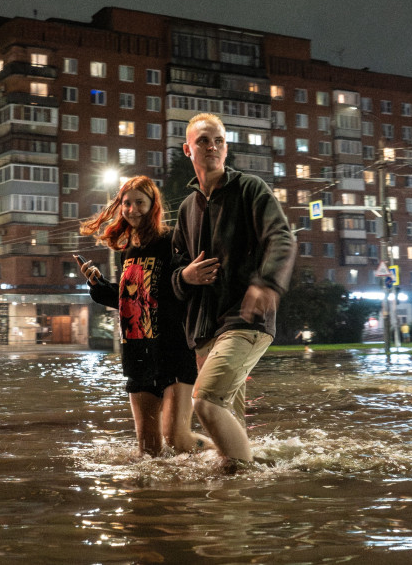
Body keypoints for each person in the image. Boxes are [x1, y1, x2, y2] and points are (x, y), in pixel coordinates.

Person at [171, 113, 295, 472]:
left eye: (219, 141)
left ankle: (247, 480)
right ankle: (235, 509)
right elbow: (175, 269)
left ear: (226, 148)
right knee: (228, 417)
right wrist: (186, 277)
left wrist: (267, 282)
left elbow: (281, 237)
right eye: (203, 141)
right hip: (204, 332)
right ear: (187, 149)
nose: (212, 147)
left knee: (205, 402)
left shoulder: (249, 188)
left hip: (246, 319)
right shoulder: (185, 209)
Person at [78, 175, 207, 457]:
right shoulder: (127, 250)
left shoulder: (170, 240)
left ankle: (227, 451)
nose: (132, 209)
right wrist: (98, 286)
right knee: (148, 452)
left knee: (177, 439)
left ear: (153, 206)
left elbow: (177, 288)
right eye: (126, 203)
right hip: (137, 352)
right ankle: (154, 499)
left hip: (173, 350)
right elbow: (133, 298)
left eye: (140, 202)